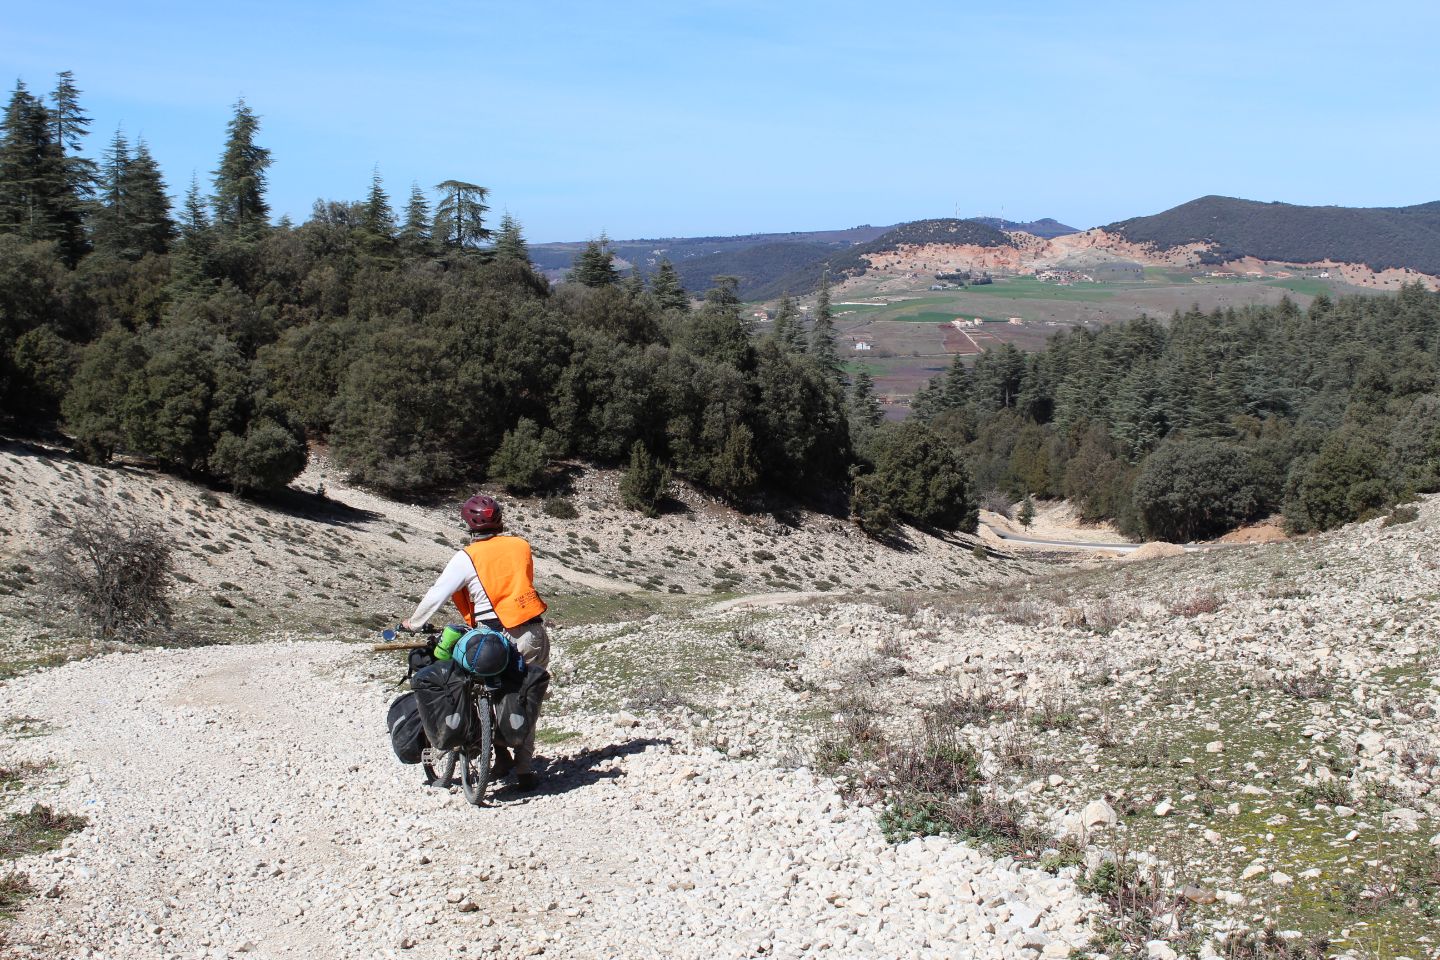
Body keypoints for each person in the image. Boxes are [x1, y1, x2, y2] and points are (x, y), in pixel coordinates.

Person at [404, 493, 550, 790]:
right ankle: (524, 770)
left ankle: (493, 752)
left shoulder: (467, 557)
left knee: (480, 689)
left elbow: (439, 592)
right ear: (499, 519)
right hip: (531, 632)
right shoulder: (521, 545)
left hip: (490, 637)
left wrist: (414, 623)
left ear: (468, 523)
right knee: (525, 697)